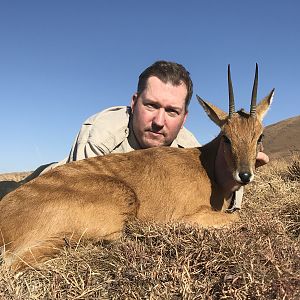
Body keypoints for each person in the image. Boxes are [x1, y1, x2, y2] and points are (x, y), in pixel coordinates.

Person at [1, 61, 269, 206]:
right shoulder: (102, 134)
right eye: (151, 105)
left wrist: (232, 170)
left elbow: (219, 186)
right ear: (134, 102)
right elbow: (73, 194)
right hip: (48, 182)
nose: (159, 121)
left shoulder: (188, 147)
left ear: (185, 117)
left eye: (172, 111)